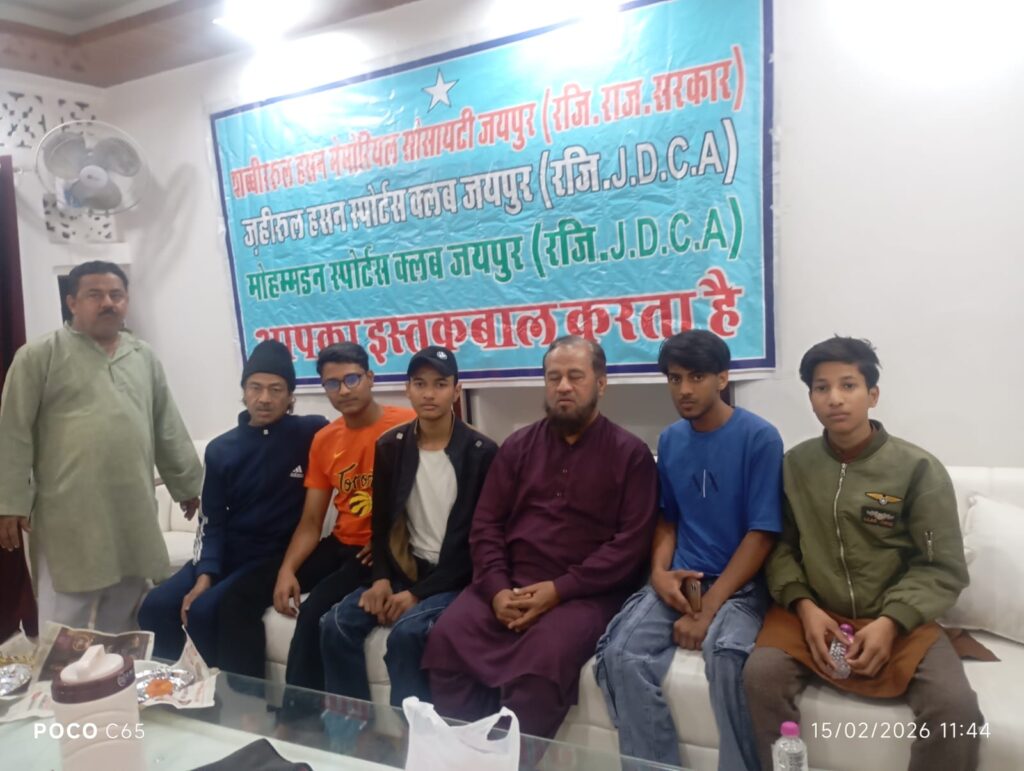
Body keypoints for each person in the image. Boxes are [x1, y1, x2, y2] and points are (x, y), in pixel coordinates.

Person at [743, 336, 983, 771]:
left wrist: (892, 622)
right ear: (811, 398)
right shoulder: (794, 466)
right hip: (813, 613)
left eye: (848, 385)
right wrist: (804, 607)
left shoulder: (917, 469)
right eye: (821, 388)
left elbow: (940, 567)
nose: (834, 398)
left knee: (956, 711)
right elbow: (781, 548)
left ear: (872, 395)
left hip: (898, 619)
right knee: (759, 678)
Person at [422, 335, 658, 739]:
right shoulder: (518, 446)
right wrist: (497, 589)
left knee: (541, 665)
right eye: (553, 377)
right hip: (510, 583)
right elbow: (486, 526)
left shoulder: (630, 454)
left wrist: (559, 590)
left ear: (601, 384)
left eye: (575, 376)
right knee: (447, 639)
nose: (563, 386)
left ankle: (510, 762)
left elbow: (630, 546)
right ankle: (464, 756)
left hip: (584, 594)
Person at [595, 330, 783, 770]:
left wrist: (707, 610)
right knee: (621, 653)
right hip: (684, 580)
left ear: (722, 378)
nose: (684, 389)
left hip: (739, 585)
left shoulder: (759, 438)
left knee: (727, 657)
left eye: (696, 377)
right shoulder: (672, 439)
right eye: (675, 378)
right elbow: (668, 519)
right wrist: (659, 573)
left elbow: (761, 534)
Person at [0, 260, 202, 633]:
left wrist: (188, 486)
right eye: (95, 294)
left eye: (116, 294)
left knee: (127, 614)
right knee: (65, 622)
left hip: (131, 508)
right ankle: (61, 674)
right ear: (72, 302)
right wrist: (9, 503)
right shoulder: (40, 356)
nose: (108, 302)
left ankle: (117, 673)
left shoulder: (142, 356)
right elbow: (12, 433)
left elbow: (167, 425)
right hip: (68, 513)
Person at [217, 342, 414, 691]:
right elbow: (311, 522)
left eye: (352, 379)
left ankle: (299, 714)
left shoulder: (407, 425)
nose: (344, 390)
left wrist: (388, 542)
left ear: (370, 378)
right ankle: (249, 705)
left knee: (314, 612)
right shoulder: (325, 439)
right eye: (333, 383)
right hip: (339, 543)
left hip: (380, 551)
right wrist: (287, 570)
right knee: (238, 596)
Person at [320, 346, 498, 706]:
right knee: (334, 624)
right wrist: (381, 579)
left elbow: (479, 543)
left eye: (440, 384)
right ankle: (351, 727)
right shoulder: (391, 445)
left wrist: (417, 595)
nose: (429, 393)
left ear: (456, 390)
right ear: (408, 389)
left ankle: (413, 732)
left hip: (457, 578)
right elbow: (382, 522)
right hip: (406, 569)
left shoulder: (481, 452)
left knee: (406, 633)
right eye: (420, 383)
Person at [137, 340, 328, 662]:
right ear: (244, 391)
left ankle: (226, 691)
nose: (264, 398)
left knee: (205, 610)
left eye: (276, 389)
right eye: (255, 387)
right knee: (155, 606)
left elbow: (354, 436)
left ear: (290, 396)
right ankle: (175, 685)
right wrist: (205, 575)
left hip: (271, 557)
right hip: (226, 552)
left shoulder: (311, 432)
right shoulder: (221, 449)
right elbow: (211, 521)